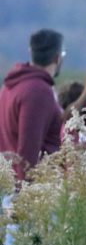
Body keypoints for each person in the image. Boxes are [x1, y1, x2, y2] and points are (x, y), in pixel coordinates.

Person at [0, 29, 64, 181]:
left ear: (31, 52)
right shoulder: (38, 91)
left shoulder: (10, 85)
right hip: (28, 192)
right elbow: (28, 150)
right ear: (57, 57)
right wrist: (26, 195)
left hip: (8, 182)